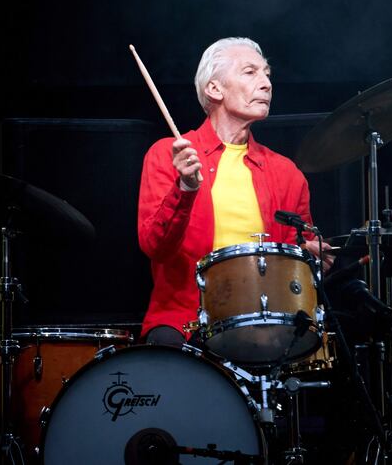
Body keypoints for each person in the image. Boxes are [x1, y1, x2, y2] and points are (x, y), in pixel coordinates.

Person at [137, 37, 334, 347]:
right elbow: (155, 247)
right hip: (185, 321)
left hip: (265, 323)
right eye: (250, 72)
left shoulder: (287, 173)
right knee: (165, 353)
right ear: (215, 89)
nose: (266, 83)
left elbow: (295, 266)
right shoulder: (168, 155)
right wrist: (185, 188)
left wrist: (308, 257)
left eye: (267, 74)